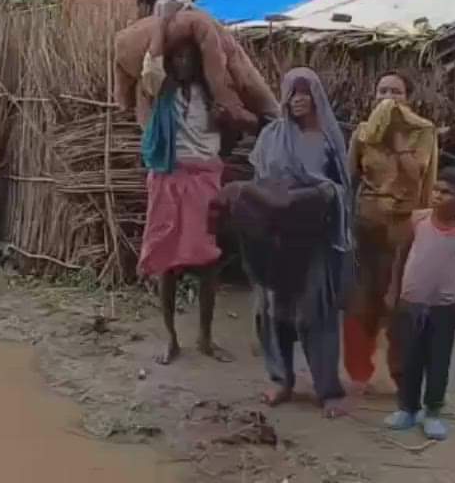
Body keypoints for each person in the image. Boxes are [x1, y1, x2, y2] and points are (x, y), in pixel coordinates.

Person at [224, 67, 354, 418]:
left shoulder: (328, 139)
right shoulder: (271, 135)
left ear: (316, 97)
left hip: (313, 236)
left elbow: (342, 189)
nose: (298, 99)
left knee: (316, 312)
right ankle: (281, 379)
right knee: (271, 311)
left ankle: (328, 389)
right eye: (292, 92)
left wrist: (315, 195)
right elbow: (261, 181)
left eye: (305, 92)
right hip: (274, 234)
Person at [138, 31, 232, 366]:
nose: (183, 63)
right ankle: (170, 337)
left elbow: (230, 132)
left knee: (208, 262)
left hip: (205, 180)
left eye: (189, 56)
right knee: (168, 262)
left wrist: (224, 117)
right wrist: (163, 21)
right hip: (169, 178)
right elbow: (149, 71)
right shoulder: (161, 92)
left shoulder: (212, 94)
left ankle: (205, 338)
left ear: (199, 60)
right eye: (176, 57)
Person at [344, 71, 439, 395]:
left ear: (407, 99)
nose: (388, 97)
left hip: (403, 227)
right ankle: (360, 372)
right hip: (366, 224)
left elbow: (417, 176)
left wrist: (398, 142)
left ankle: (402, 376)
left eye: (396, 92)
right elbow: (350, 177)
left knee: (400, 302)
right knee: (363, 300)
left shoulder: (421, 133)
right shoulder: (363, 133)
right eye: (382, 90)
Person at [384, 167, 455, 441]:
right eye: (436, 189)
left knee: (438, 362)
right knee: (409, 359)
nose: (438, 195)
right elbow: (400, 257)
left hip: (443, 309)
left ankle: (433, 413)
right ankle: (407, 409)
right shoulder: (417, 221)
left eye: (447, 192)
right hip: (411, 303)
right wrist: (393, 291)